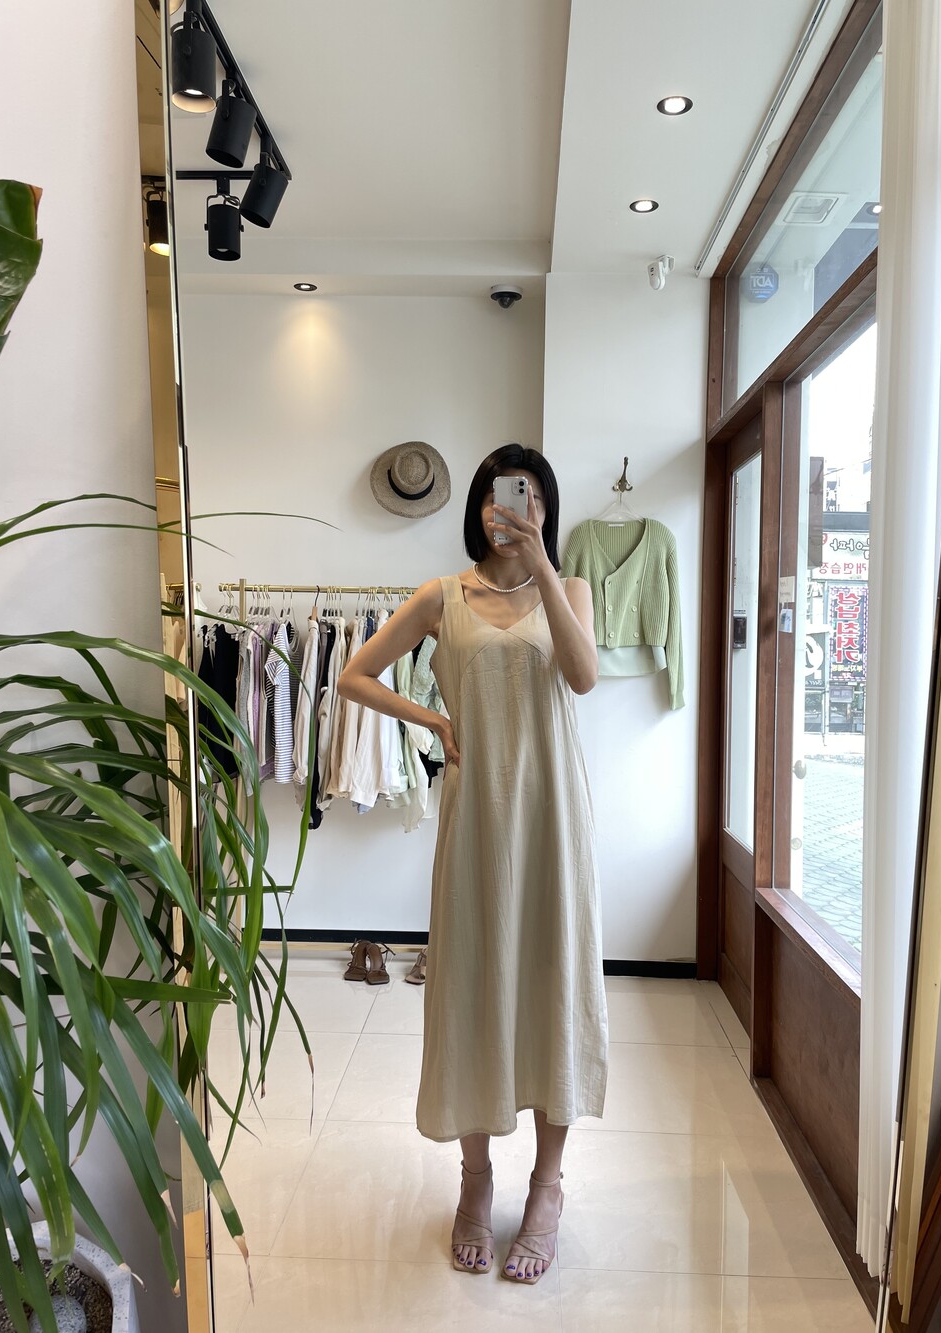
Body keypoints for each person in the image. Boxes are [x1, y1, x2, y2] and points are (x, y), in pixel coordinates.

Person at [338, 444, 608, 1284]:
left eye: (525, 498)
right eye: (498, 497)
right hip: (477, 816)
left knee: (553, 981)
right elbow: (353, 675)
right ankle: (476, 1176)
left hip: (553, 816)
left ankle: (548, 1188)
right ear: (479, 507)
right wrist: (431, 718)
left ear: (544, 507)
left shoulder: (571, 590)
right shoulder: (441, 596)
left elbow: (584, 676)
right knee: (471, 983)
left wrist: (544, 565)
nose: (509, 511)